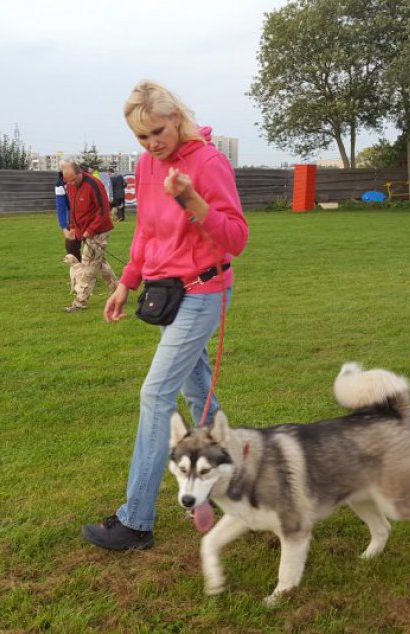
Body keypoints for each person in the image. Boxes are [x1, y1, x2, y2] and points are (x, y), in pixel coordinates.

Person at [80, 80, 248, 551]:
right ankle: (238, 474)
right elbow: (147, 233)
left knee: (156, 394)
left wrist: (193, 201)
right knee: (198, 392)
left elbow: (236, 237)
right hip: (168, 292)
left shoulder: (209, 162)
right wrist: (126, 282)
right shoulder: (148, 165)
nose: (152, 143)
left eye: (157, 131)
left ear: (176, 118)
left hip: (203, 291)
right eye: (141, 137)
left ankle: (135, 522)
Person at [61, 158, 119, 312]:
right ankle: (118, 291)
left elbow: (103, 211)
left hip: (99, 230)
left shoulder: (94, 184)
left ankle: (80, 302)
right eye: (68, 181)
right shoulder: (70, 185)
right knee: (100, 263)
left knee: (89, 266)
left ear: (80, 172)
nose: (71, 183)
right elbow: (73, 208)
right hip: (84, 231)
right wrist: (73, 227)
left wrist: (90, 230)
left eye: (73, 180)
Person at [55, 170, 81, 260]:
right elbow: (61, 207)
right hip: (73, 221)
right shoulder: (60, 185)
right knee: (71, 247)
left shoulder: (85, 182)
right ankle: (79, 270)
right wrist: (64, 228)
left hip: (89, 220)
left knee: (93, 253)